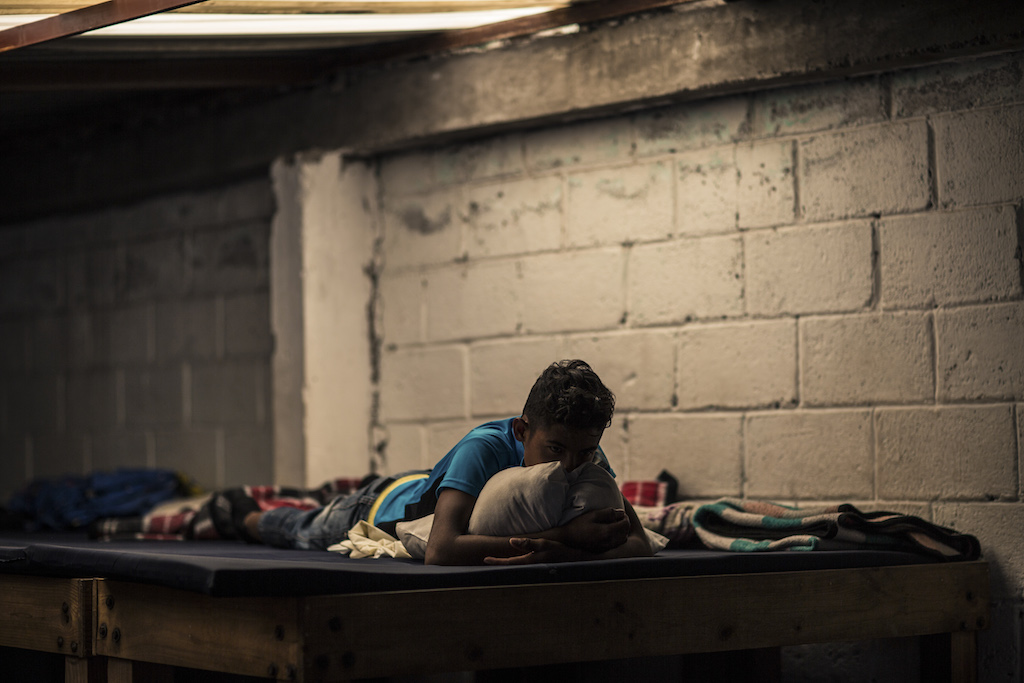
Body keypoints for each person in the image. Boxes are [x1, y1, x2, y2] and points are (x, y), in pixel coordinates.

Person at [244, 359, 652, 565]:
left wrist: (562, 549)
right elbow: (440, 549)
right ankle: (235, 511)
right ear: (522, 431)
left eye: (583, 452)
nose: (570, 467)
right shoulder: (486, 447)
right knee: (294, 527)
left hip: (433, 482)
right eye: (555, 450)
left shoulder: (587, 457)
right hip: (380, 508)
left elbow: (639, 542)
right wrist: (564, 539)